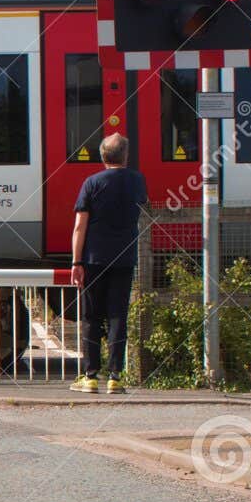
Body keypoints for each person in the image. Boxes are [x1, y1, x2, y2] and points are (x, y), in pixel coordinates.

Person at [69, 132, 147, 394]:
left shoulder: (91, 183)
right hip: (124, 258)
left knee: (91, 316)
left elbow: (80, 226)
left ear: (102, 156)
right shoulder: (137, 181)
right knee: (117, 317)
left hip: (94, 259)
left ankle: (90, 376)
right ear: (125, 156)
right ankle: (115, 377)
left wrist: (76, 261)